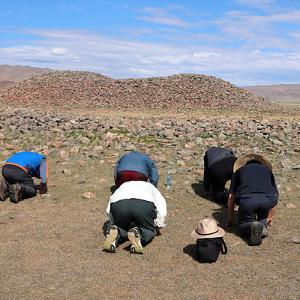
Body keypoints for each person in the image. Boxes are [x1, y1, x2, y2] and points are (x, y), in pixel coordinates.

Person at [227, 154, 278, 246]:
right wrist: (270, 216)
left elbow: (231, 197)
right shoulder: (268, 171)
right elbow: (274, 194)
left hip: (248, 200)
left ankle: (250, 226)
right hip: (267, 200)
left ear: (245, 165)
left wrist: (231, 217)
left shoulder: (239, 171)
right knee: (263, 217)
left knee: (242, 226)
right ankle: (262, 226)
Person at [102, 181, 167, 254]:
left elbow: (110, 205)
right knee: (149, 230)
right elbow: (161, 203)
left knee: (123, 227)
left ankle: (117, 233)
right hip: (142, 205)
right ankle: (139, 235)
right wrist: (158, 223)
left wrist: (113, 222)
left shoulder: (123, 184)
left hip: (119, 205)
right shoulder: (150, 186)